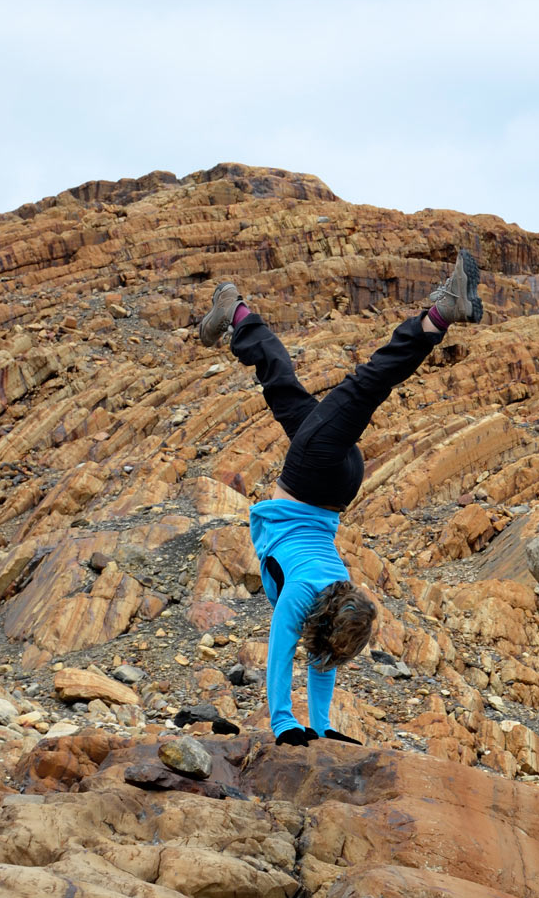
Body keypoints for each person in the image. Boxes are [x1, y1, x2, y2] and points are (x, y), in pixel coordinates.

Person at [198, 249, 483, 746]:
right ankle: (440, 313)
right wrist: (285, 723)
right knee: (367, 385)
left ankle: (237, 315)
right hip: (313, 476)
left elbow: (313, 653)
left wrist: (322, 728)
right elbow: (282, 653)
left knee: (284, 389)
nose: (329, 656)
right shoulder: (304, 597)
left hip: (336, 483)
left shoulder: (340, 589)